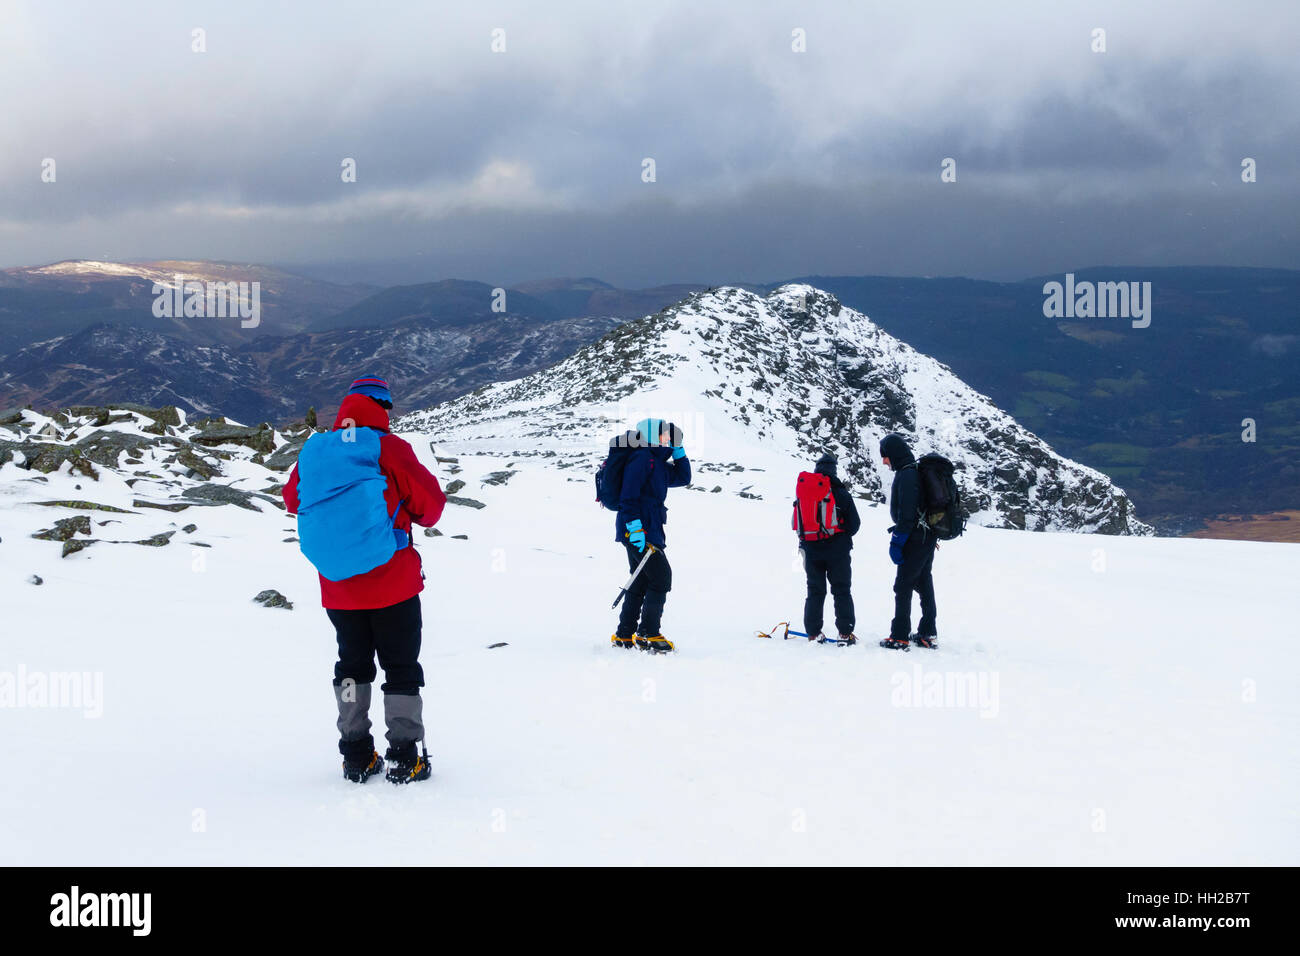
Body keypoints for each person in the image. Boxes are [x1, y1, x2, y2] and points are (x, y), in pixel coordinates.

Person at [283, 375, 447, 783]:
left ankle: (356, 754)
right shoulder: (390, 449)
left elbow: (292, 500)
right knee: (401, 666)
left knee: (352, 667)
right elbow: (431, 508)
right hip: (394, 583)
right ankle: (405, 756)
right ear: (384, 408)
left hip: (339, 588)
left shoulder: (315, 451)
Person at [611, 418, 691, 653]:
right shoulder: (642, 459)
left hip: (650, 529)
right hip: (639, 530)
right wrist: (635, 530)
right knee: (661, 578)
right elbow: (628, 498)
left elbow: (683, 478)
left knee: (641, 580)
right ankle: (648, 633)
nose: (669, 438)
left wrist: (678, 452)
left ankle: (624, 634)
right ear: (653, 435)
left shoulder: (656, 462)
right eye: (666, 435)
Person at [879, 433, 938, 650]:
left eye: (885, 456)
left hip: (915, 538)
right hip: (926, 537)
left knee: (903, 586)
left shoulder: (907, 475)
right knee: (923, 582)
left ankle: (900, 636)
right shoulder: (913, 472)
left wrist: (897, 541)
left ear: (893, 454)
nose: (884, 461)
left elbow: (907, 515)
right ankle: (927, 633)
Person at [798, 451, 861, 644]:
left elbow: (798, 522)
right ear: (834, 471)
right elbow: (855, 525)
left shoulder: (805, 494)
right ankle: (844, 633)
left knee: (815, 590)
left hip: (810, 549)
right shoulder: (842, 494)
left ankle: (813, 633)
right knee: (841, 590)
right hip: (838, 551)